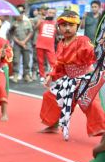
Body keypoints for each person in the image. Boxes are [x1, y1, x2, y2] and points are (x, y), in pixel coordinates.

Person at [39, 10, 105, 140]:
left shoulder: (83, 40)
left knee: (92, 104)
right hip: (69, 80)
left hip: (85, 80)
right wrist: (51, 76)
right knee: (51, 96)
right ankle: (53, 125)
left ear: (78, 26)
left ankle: (102, 132)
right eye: (64, 25)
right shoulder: (61, 43)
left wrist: (101, 47)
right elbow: (59, 64)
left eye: (71, 25)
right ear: (58, 27)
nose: (67, 28)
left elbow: (93, 54)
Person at [11, 5, 33, 83]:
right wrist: (19, 42)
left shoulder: (27, 22)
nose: (20, 15)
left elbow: (30, 33)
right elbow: (12, 34)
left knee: (26, 60)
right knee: (16, 60)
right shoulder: (13, 24)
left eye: (21, 13)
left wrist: (24, 42)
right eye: (18, 13)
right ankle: (16, 74)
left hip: (26, 44)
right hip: (17, 44)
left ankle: (26, 75)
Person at [35, 8, 57, 83]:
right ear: (47, 13)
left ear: (55, 14)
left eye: (53, 13)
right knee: (40, 61)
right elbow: (35, 29)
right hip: (40, 44)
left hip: (50, 45)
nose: (51, 14)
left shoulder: (56, 23)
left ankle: (54, 76)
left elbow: (59, 33)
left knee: (53, 62)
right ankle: (42, 76)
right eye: (50, 12)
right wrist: (39, 22)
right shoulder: (42, 21)